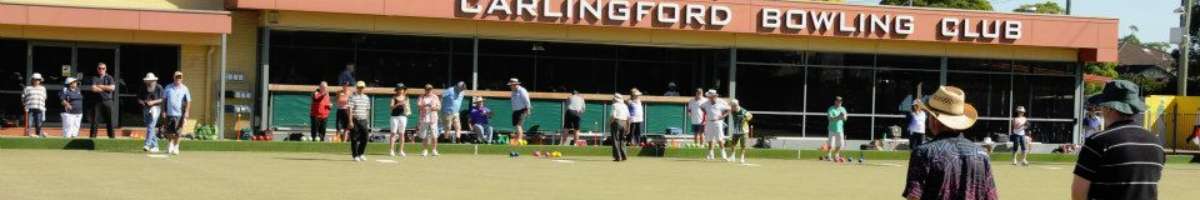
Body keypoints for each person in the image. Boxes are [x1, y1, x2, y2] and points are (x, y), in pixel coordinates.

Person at [1072, 80, 1164, 200]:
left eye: (1102, 105)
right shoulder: (1156, 143)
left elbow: (1078, 193)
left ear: (1109, 108)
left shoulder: (1097, 141)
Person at [902, 86, 997, 200]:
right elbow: (991, 196)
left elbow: (914, 196)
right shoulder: (982, 154)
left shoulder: (923, 153)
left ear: (935, 120)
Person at [162, 71, 191, 156]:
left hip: (180, 114)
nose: (178, 79)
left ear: (182, 78)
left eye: (180, 77)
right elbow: (164, 100)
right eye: (177, 77)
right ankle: (170, 144)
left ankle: (176, 147)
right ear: (174, 77)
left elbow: (188, 101)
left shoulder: (185, 88)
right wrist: (163, 111)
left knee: (178, 132)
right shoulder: (168, 87)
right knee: (169, 131)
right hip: (169, 113)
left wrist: (187, 112)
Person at [88, 62, 117, 139]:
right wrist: (106, 88)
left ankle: (112, 138)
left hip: (108, 101)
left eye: (103, 68)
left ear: (105, 69)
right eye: (99, 68)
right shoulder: (95, 78)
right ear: (97, 69)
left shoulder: (109, 77)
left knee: (110, 120)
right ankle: (92, 138)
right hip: (97, 102)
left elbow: (112, 88)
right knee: (95, 121)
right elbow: (93, 89)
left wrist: (100, 86)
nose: (101, 70)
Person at [702, 90, 731, 161]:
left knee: (719, 139)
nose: (709, 98)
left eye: (711, 96)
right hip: (709, 122)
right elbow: (701, 107)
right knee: (710, 139)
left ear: (715, 96)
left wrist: (723, 116)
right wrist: (707, 113)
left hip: (718, 122)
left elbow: (729, 109)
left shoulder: (721, 102)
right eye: (709, 96)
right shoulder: (706, 103)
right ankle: (711, 155)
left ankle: (724, 155)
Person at [138, 73, 164, 153]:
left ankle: (147, 144)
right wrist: (142, 102)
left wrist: (153, 102)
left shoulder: (159, 87)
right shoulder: (143, 87)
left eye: (150, 80)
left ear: (154, 80)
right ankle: (155, 146)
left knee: (151, 126)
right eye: (148, 81)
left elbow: (162, 99)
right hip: (146, 108)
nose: (149, 82)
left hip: (155, 108)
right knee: (150, 127)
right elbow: (139, 98)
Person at [346, 81, 371, 161]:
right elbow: (350, 110)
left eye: (362, 87)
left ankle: (361, 153)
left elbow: (367, 110)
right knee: (354, 138)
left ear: (364, 88)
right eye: (359, 87)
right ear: (357, 88)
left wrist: (367, 121)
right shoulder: (352, 97)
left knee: (365, 137)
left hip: (363, 120)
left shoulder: (366, 98)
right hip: (355, 120)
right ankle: (355, 155)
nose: (361, 89)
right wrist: (350, 121)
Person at [418, 84, 442, 156]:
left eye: (430, 89)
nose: (428, 91)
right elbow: (419, 106)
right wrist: (426, 105)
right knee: (424, 135)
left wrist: (433, 108)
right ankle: (425, 150)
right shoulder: (421, 97)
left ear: (432, 90)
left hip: (433, 118)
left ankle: (434, 150)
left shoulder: (435, 97)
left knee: (434, 135)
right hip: (424, 118)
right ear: (425, 90)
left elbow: (439, 107)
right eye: (427, 89)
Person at [727, 99, 753, 164]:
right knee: (733, 144)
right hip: (736, 131)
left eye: (732, 106)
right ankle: (732, 157)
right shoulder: (732, 111)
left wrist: (746, 119)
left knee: (743, 145)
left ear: (736, 105)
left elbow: (750, 116)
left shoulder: (743, 111)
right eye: (731, 106)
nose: (731, 107)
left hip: (744, 131)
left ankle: (742, 158)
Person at [389, 84, 411, 157]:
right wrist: (398, 104)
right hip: (394, 117)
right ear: (397, 90)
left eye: (402, 89)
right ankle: (391, 150)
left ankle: (401, 151)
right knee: (393, 133)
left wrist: (405, 106)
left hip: (403, 117)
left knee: (402, 134)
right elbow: (391, 107)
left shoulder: (406, 98)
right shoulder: (393, 97)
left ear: (403, 90)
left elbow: (408, 109)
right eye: (399, 89)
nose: (400, 90)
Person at [22, 73, 47, 138]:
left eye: (38, 80)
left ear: (40, 80)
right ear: (32, 80)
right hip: (29, 108)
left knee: (39, 124)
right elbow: (23, 97)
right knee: (28, 123)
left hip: (39, 108)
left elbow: (44, 98)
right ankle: (27, 135)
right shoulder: (27, 88)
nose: (37, 81)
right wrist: (24, 105)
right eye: (35, 79)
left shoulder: (43, 88)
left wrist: (43, 107)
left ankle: (38, 135)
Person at [508, 78, 532, 144]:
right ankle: (517, 139)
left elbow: (527, 100)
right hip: (515, 111)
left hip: (522, 110)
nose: (510, 86)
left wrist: (528, 109)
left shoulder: (522, 90)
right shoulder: (513, 92)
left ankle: (519, 140)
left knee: (519, 125)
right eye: (510, 85)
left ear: (515, 84)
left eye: (511, 85)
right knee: (517, 126)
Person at [826, 96, 848, 163]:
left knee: (840, 144)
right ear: (835, 101)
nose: (839, 103)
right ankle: (829, 155)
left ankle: (836, 155)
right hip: (831, 129)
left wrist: (843, 117)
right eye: (838, 101)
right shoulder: (831, 109)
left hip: (840, 129)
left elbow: (845, 119)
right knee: (830, 144)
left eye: (840, 101)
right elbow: (830, 119)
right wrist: (838, 117)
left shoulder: (843, 109)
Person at [609, 93, 630, 162]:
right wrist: (628, 127)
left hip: (616, 122)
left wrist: (609, 123)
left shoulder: (614, 105)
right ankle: (624, 156)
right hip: (624, 123)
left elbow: (613, 116)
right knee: (622, 140)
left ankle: (618, 157)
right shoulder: (625, 106)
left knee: (615, 140)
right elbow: (628, 117)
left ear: (615, 99)